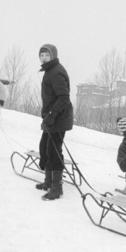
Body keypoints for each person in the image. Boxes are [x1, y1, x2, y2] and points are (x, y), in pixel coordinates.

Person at [35, 44, 74, 201]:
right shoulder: (50, 70)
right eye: (41, 55)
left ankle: (56, 188)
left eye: (46, 55)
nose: (43, 57)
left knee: (54, 151)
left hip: (59, 118)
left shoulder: (56, 71)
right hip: (52, 118)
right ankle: (48, 181)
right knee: (45, 147)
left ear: (53, 56)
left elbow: (64, 97)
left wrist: (51, 116)